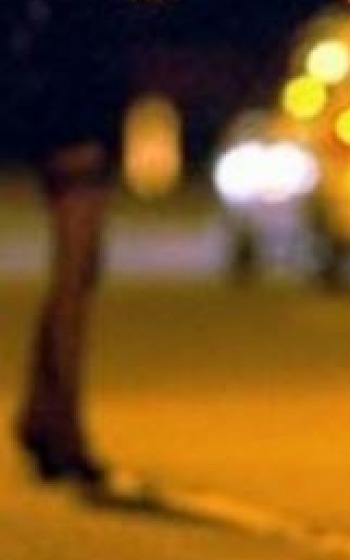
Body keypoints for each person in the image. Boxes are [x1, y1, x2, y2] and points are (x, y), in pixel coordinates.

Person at [1, 0, 148, 497]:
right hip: (73, 121)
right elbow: (74, 46)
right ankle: (62, 426)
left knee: (78, 273)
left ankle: (44, 415)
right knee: (75, 276)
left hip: (70, 113)